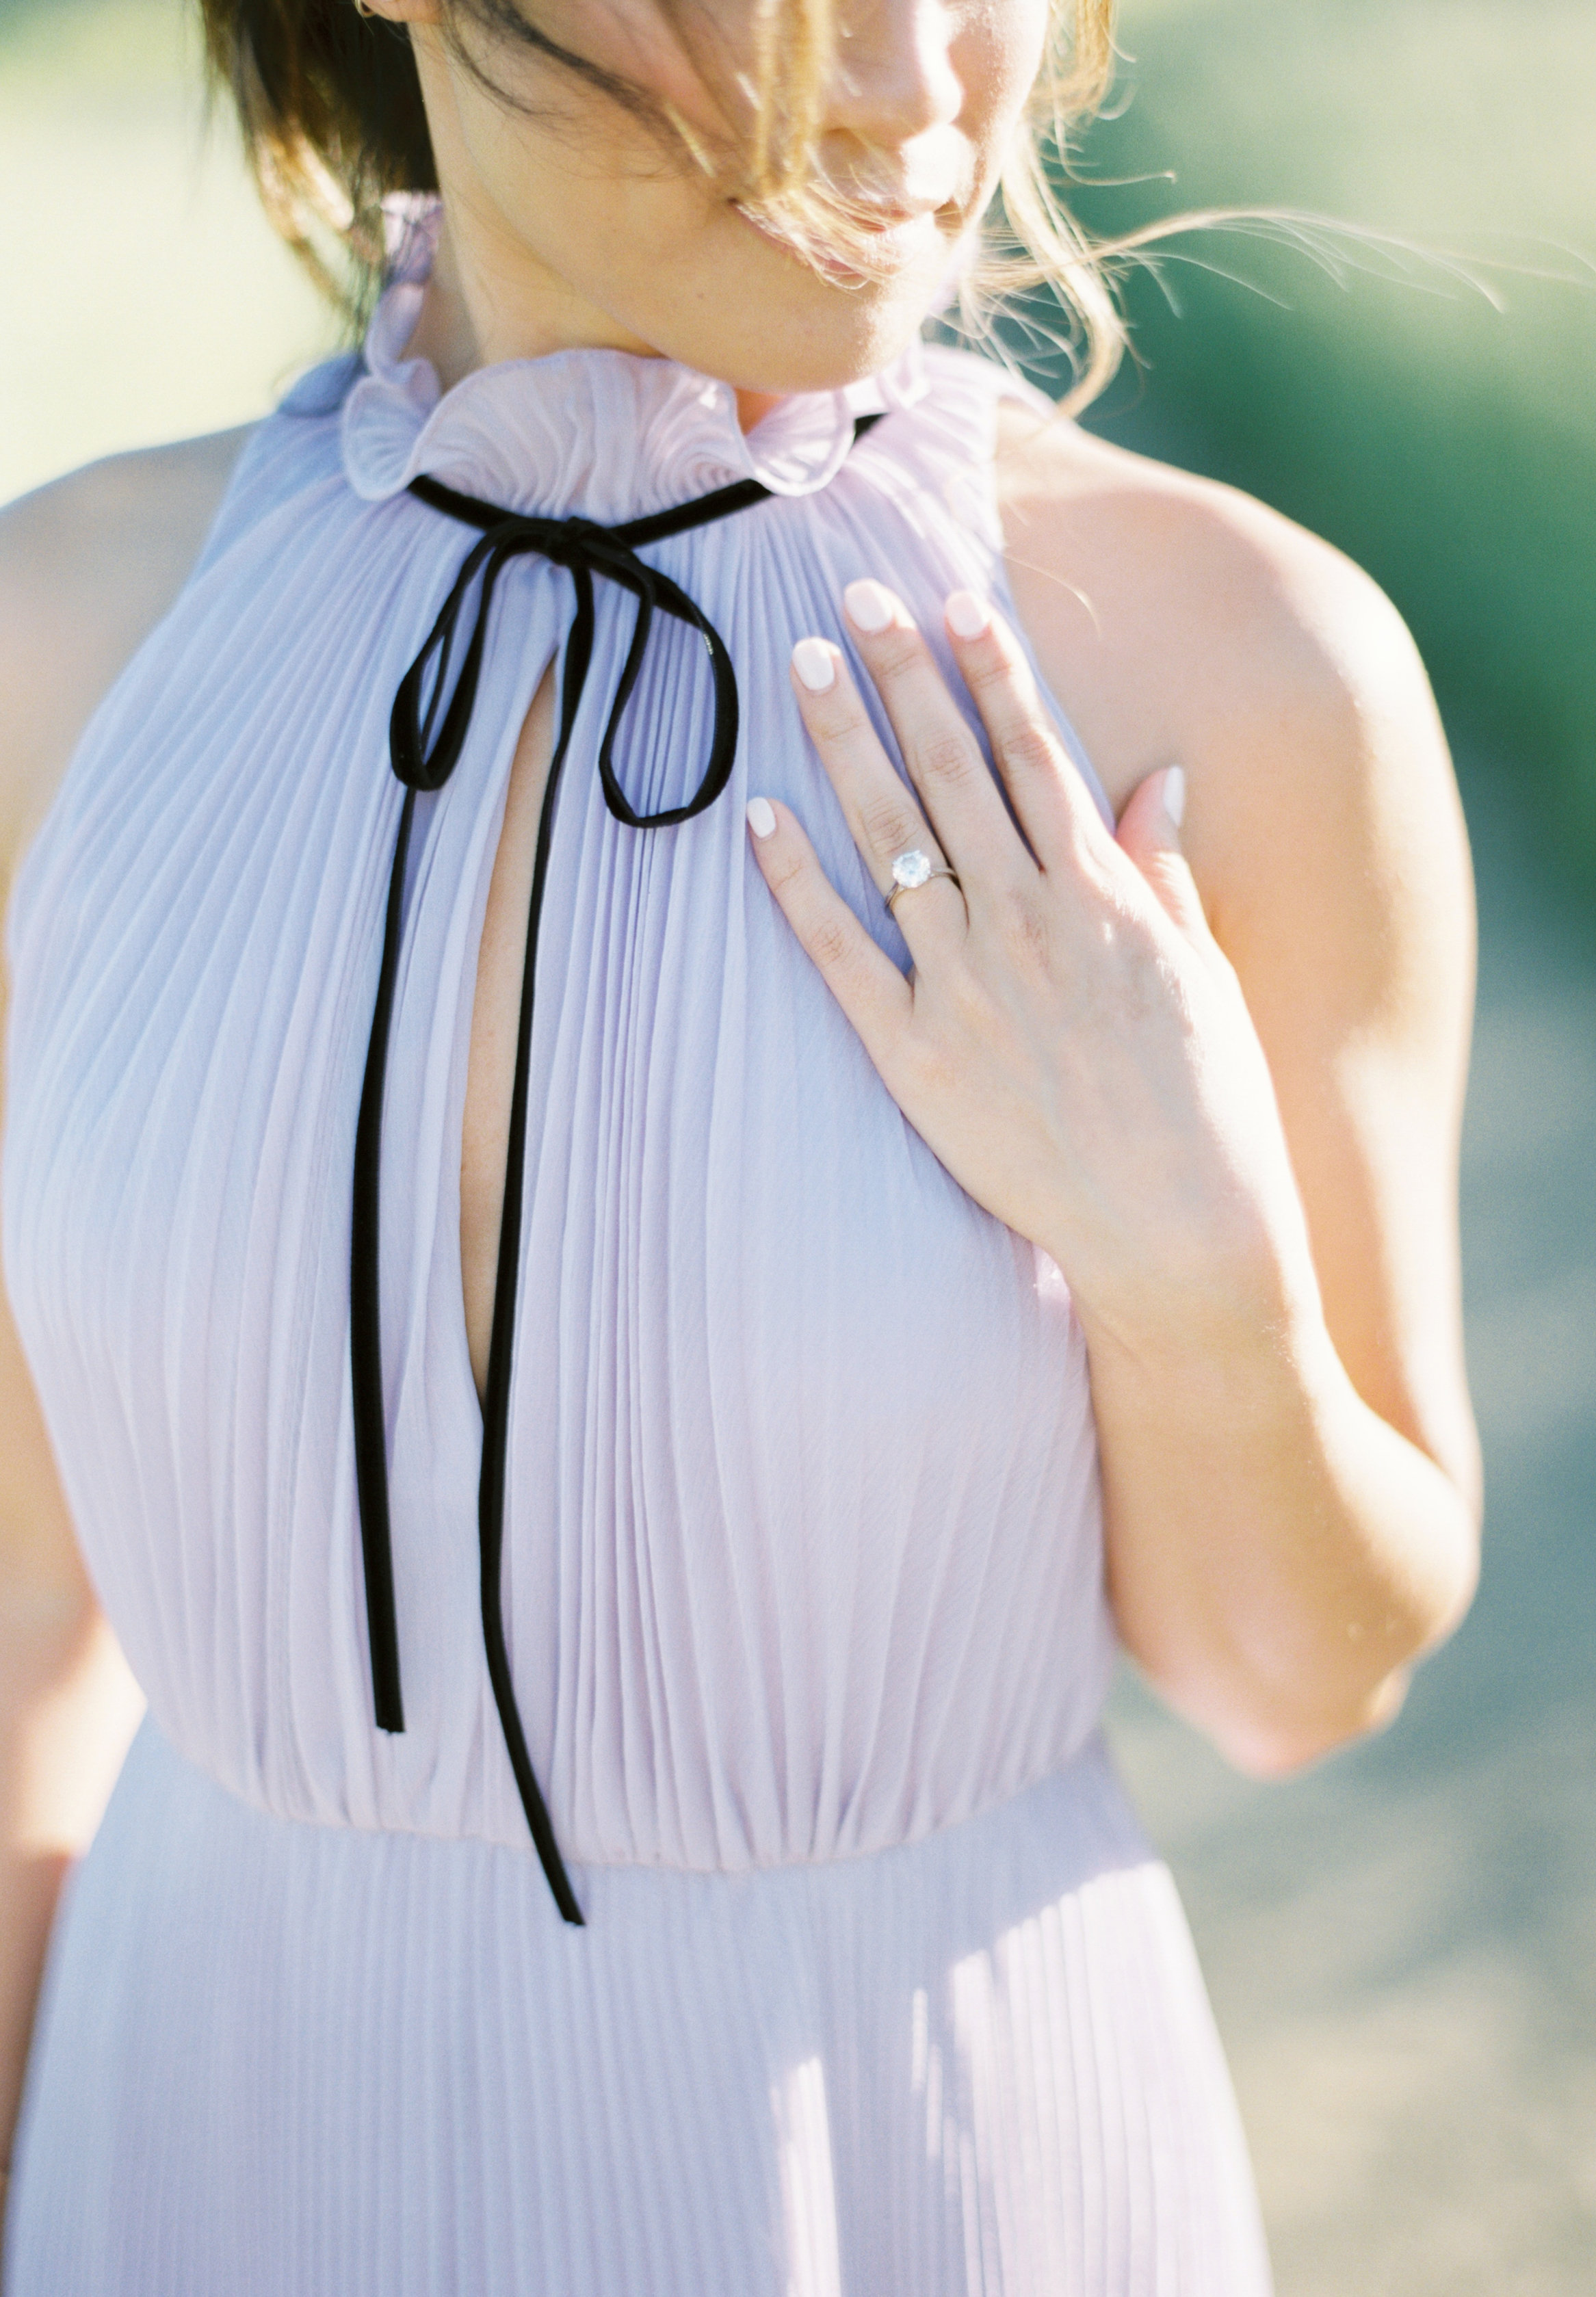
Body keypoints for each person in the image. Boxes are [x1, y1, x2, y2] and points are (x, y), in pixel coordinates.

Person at [0, 0, 1482, 2285]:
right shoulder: (66, 637)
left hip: (912, 2173)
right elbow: (16, 1621)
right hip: (195, 2143)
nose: (908, 81)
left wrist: (1189, 1271)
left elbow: (1303, 1679)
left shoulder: (1232, 668)